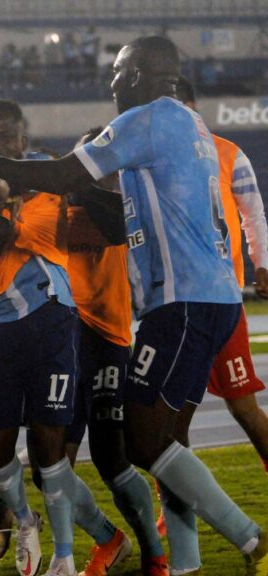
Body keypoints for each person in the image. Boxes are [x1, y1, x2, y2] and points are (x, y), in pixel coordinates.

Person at [0, 35, 268, 575]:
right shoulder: (191, 127)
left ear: (136, 74)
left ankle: (252, 540)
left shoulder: (150, 119)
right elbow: (113, 209)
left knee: (143, 440)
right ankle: (184, 563)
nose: (110, 81)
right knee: (165, 441)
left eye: (116, 71)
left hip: (181, 302)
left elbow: (66, 172)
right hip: (206, 297)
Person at [0, 99, 128, 576]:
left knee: (50, 449)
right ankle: (24, 521)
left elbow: (3, 234)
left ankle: (65, 556)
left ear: (23, 143)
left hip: (51, 323)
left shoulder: (49, 179)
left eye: (6, 136)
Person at [158, 76, 268, 576]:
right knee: (172, 424)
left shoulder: (226, 152)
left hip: (216, 298)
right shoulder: (158, 153)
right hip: (181, 304)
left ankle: (188, 537)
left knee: (240, 408)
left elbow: (252, 213)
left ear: (193, 107)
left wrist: (262, 263)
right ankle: (185, 545)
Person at [64, 127, 168, 576]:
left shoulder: (124, 209)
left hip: (109, 342)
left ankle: (155, 553)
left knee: (111, 457)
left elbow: (113, 219)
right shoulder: (61, 208)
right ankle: (108, 539)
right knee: (52, 466)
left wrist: (73, 180)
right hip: (64, 344)